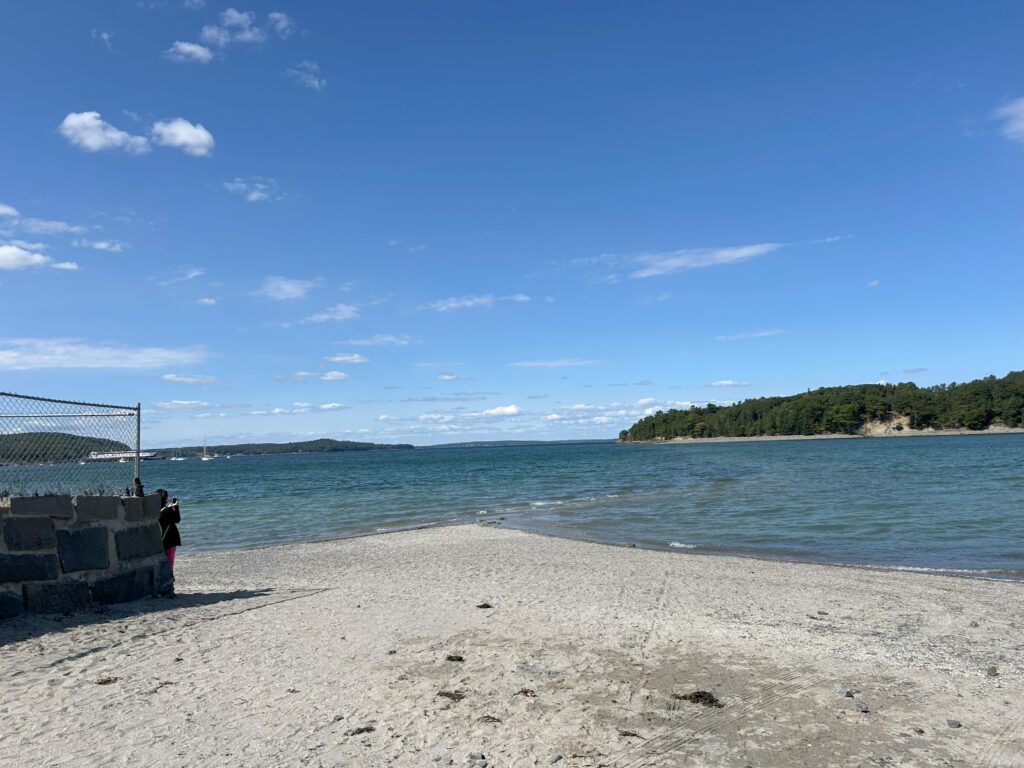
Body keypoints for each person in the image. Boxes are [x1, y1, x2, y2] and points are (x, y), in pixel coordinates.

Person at [157, 490, 181, 596]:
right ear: (165, 499)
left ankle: (160, 587)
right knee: (169, 565)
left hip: (160, 540)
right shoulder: (168, 511)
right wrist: (176, 507)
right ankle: (168, 589)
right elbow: (177, 519)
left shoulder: (155, 511)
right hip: (170, 540)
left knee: (160, 564)